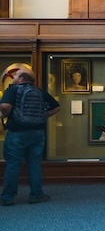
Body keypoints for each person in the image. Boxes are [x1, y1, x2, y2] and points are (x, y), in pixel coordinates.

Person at [0, 68, 60, 206]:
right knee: (34, 165)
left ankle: (8, 197)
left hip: (17, 133)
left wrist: (4, 114)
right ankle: (36, 195)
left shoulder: (13, 90)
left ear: (21, 79)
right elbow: (57, 108)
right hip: (37, 133)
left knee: (13, 165)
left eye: (16, 75)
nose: (14, 77)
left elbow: (4, 106)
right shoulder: (40, 92)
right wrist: (42, 116)